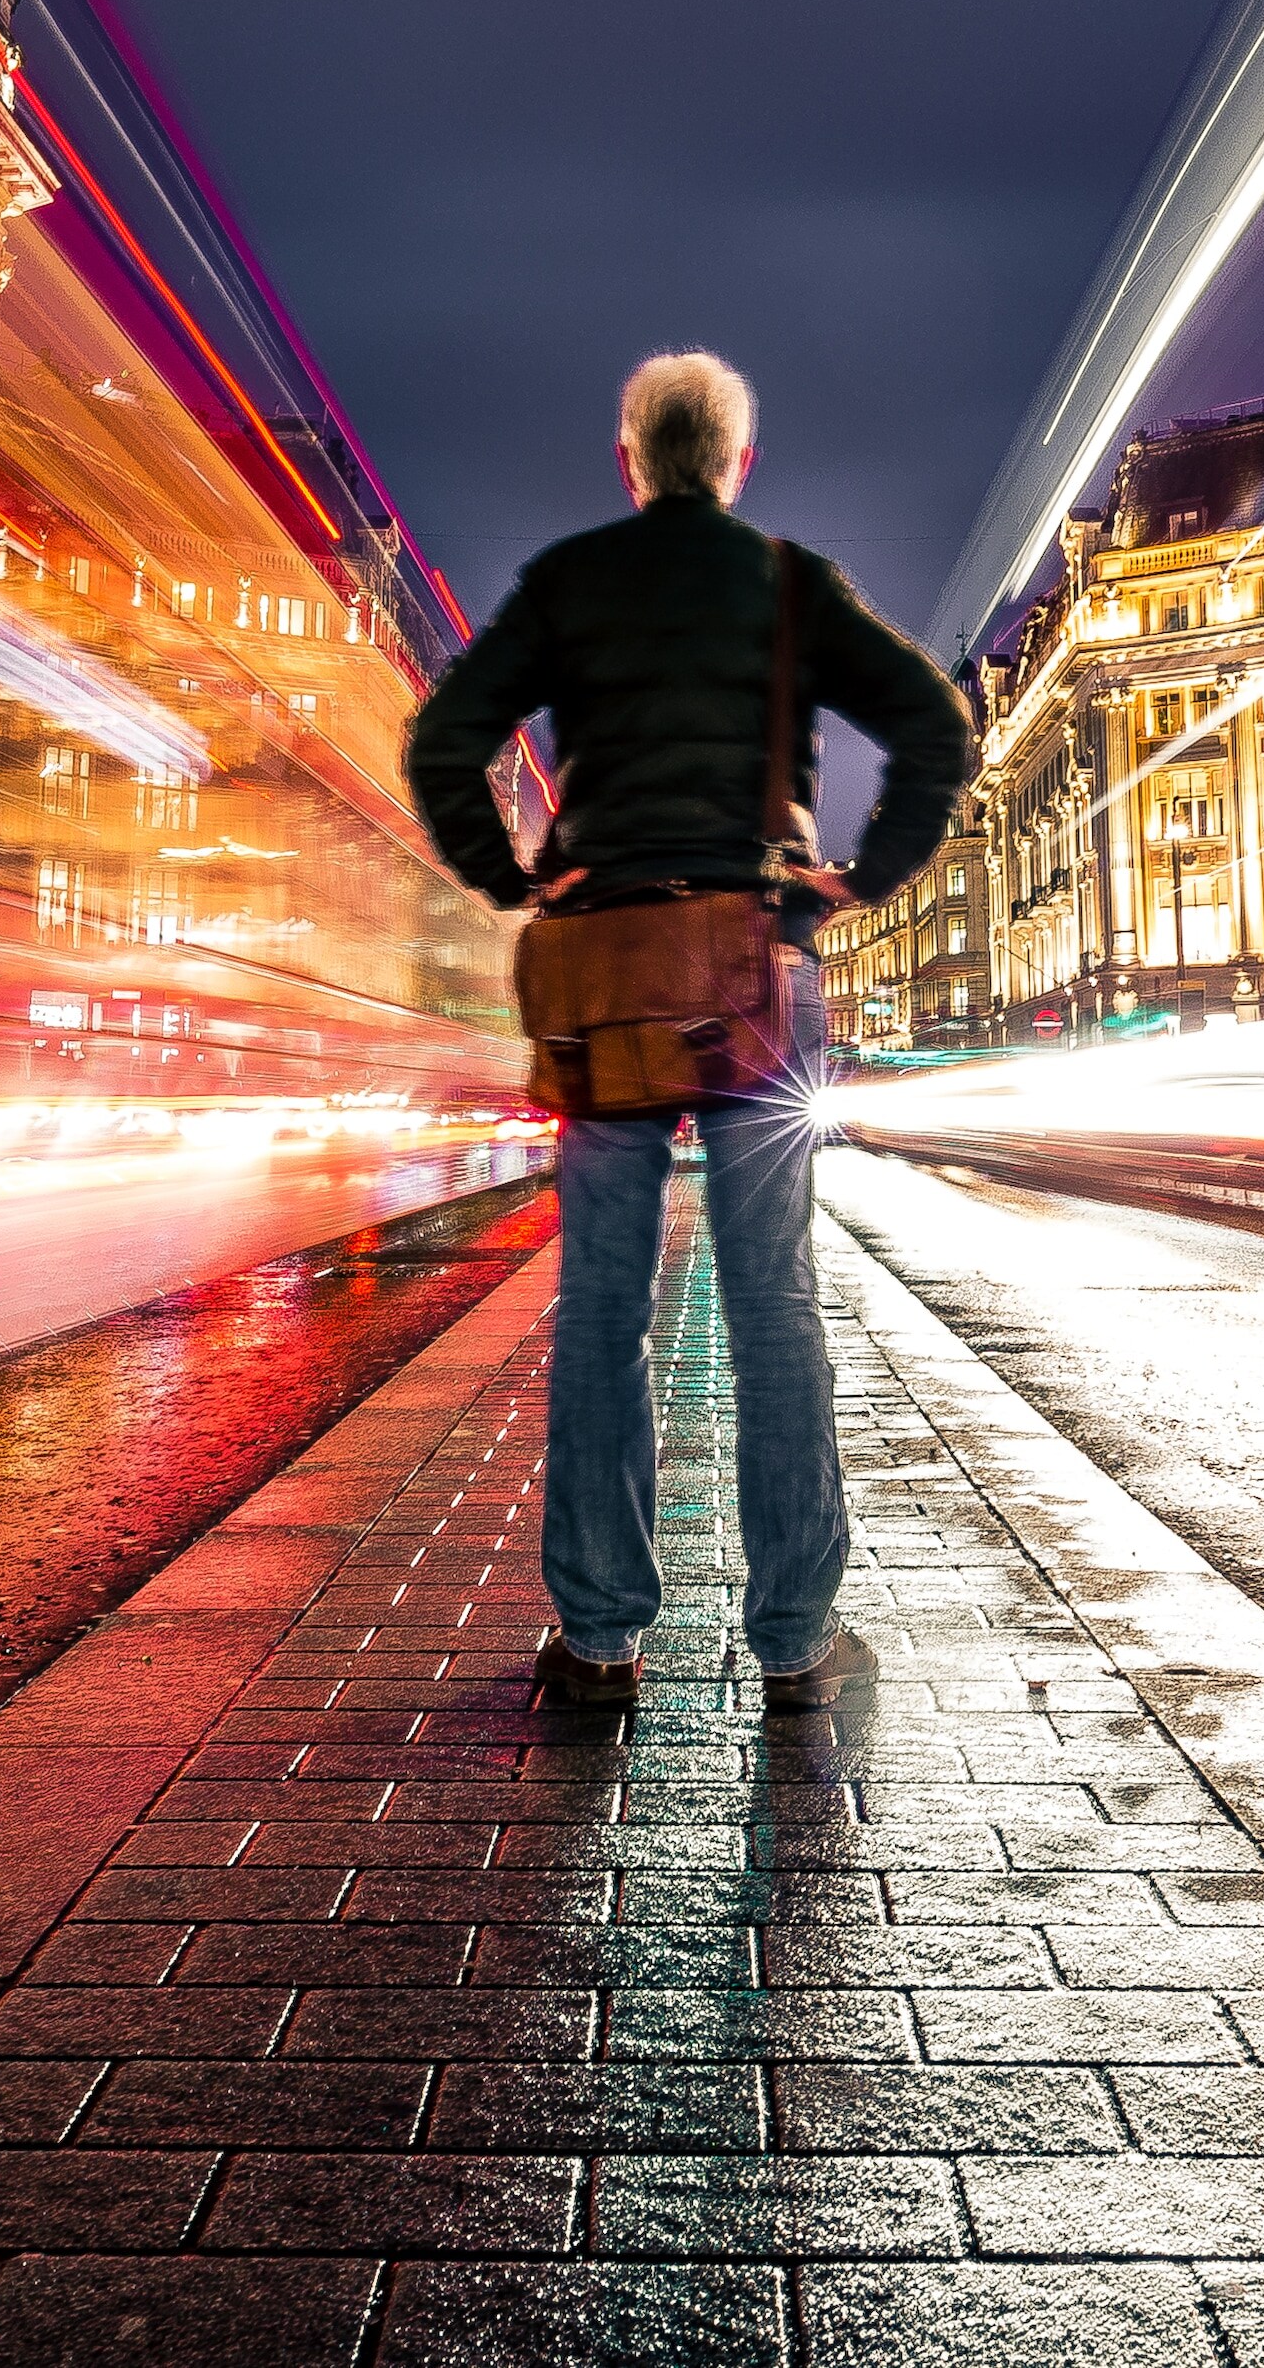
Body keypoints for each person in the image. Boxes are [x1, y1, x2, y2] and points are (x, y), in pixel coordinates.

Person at [405, 351, 974, 1712]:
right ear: (734, 464)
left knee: (604, 1303)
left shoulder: (568, 581)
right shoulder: (790, 584)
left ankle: (599, 1638)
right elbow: (934, 728)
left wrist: (518, 874)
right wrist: (863, 873)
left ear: (628, 460)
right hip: (754, 964)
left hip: (605, 973)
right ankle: (793, 1639)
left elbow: (446, 740)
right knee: (773, 1300)